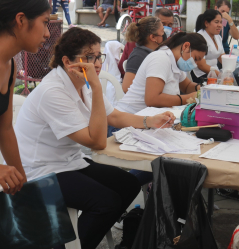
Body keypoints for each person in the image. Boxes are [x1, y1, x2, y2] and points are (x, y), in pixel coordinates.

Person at [14, 27, 174, 249]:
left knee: (127, 185)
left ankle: (77, 239)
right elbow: (97, 142)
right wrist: (97, 87)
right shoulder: (54, 91)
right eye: (89, 57)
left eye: (99, 56)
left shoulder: (82, 84)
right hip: (40, 170)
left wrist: (150, 121)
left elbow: (114, 116)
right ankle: (70, 245)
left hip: (69, 161)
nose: (97, 63)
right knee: (106, 202)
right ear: (67, 61)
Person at [0, 0, 49, 195]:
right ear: (21, 20)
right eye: (44, 23)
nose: (47, 33)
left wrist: (23, 186)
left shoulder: (10, 66)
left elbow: (5, 128)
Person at [115, 32, 207, 114]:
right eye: (195, 59)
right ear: (186, 46)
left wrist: (204, 90)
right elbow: (152, 99)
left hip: (149, 118)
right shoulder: (161, 59)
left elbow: (187, 86)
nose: (195, 64)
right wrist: (188, 98)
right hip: (129, 117)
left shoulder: (174, 61)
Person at [118, 8, 174, 77]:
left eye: (170, 25)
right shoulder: (137, 52)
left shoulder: (170, 43)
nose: (166, 28)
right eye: (163, 24)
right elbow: (125, 70)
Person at [122, 16, 165, 92]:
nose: (164, 34)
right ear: (153, 37)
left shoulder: (157, 52)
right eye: (162, 31)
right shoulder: (138, 57)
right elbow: (126, 88)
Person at [191, 9, 224, 83]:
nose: (220, 25)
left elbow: (222, 57)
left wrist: (230, 70)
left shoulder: (218, 37)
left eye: (221, 22)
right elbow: (201, 65)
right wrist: (221, 76)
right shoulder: (199, 37)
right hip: (202, 75)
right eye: (216, 22)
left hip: (216, 73)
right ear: (206, 23)